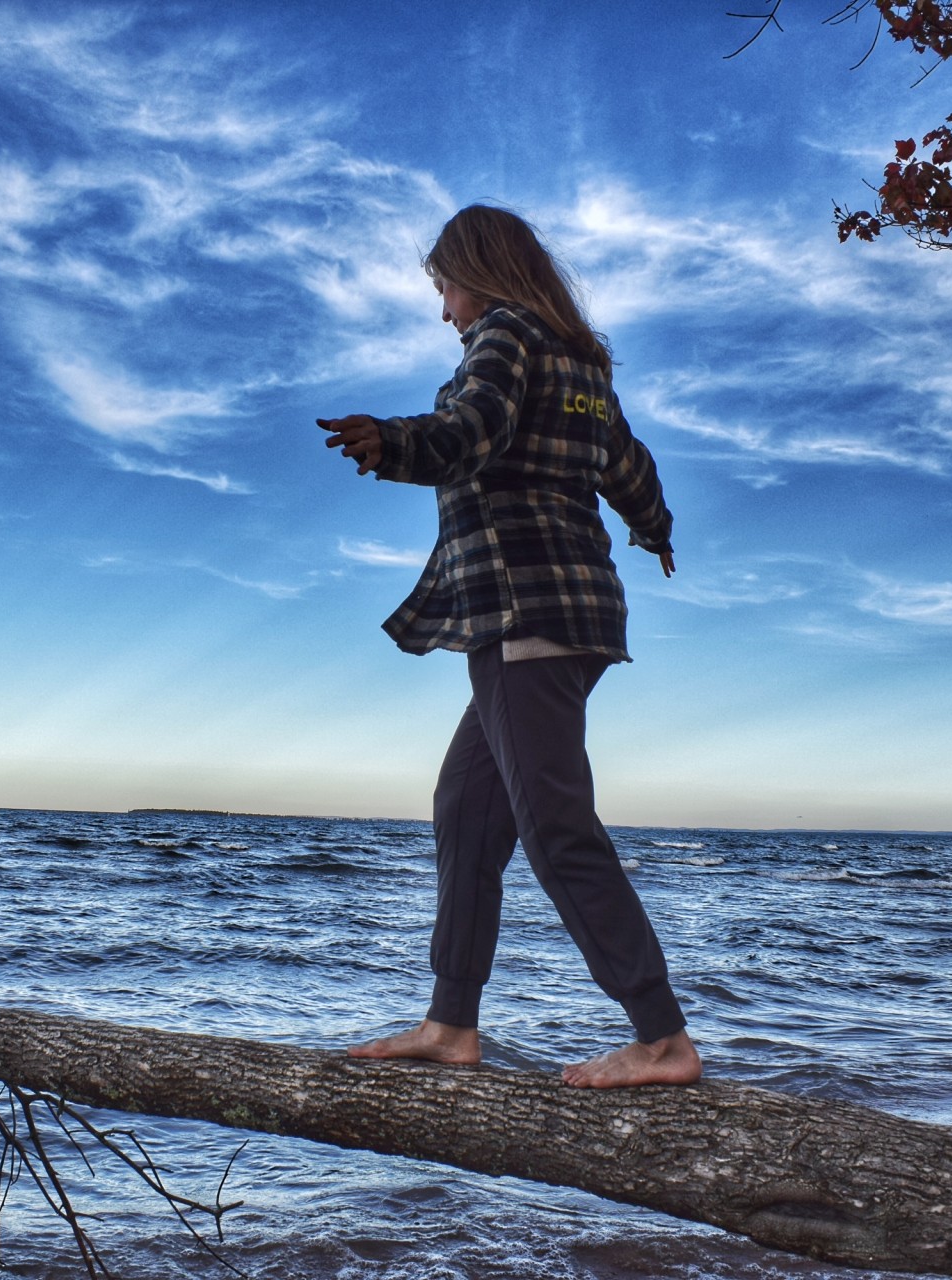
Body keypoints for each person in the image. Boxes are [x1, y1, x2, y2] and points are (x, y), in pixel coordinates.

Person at [318, 204, 700, 1089]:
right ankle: (451, 1023)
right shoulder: (581, 363)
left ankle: (662, 1038)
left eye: (443, 286)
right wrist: (657, 528)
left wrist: (394, 443)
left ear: (477, 275)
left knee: (555, 825)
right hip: (577, 613)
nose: (444, 310)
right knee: (467, 807)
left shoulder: (502, 336)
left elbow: (471, 430)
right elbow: (627, 465)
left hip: (525, 614)